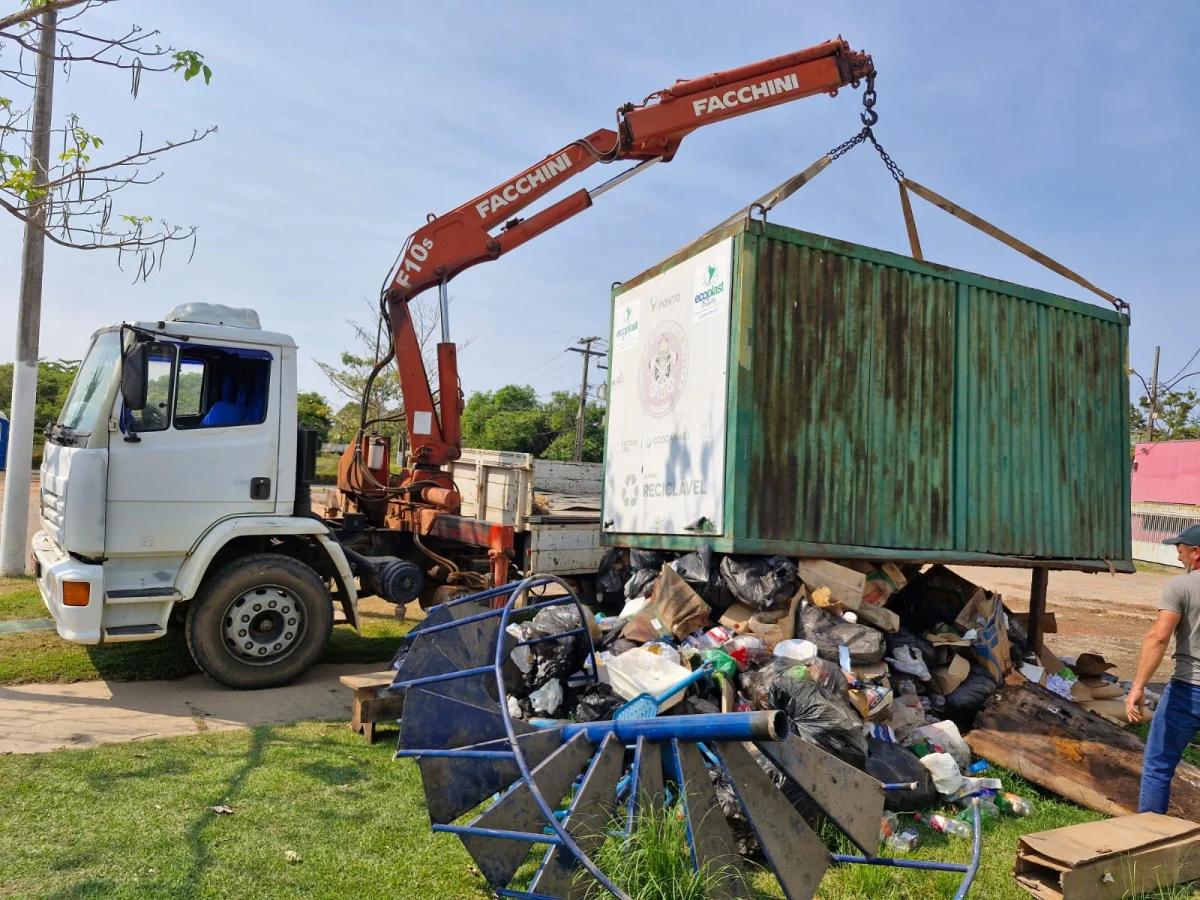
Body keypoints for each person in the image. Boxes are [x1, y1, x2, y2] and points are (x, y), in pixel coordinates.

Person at [1129, 524, 1200, 814]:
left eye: (1181, 550)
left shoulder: (1181, 587)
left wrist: (1137, 686)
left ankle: (1148, 841)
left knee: (1159, 765)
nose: (1178, 556)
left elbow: (1159, 636)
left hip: (1188, 691)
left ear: (1196, 553)